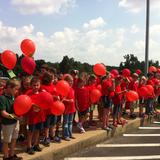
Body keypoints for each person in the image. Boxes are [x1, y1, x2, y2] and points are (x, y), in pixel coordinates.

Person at [0, 79, 22, 160]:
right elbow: (3, 113)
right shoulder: (2, 98)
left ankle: (12, 155)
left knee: (14, 139)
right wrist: (14, 117)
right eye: (15, 89)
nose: (17, 91)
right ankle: (6, 157)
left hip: (15, 122)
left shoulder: (13, 97)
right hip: (7, 124)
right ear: (9, 87)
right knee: (6, 141)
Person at [26, 77, 45, 154]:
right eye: (34, 85)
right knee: (31, 132)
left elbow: (45, 103)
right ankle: (29, 146)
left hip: (40, 116)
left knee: (37, 131)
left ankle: (36, 144)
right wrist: (32, 104)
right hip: (32, 117)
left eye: (37, 85)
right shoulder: (28, 94)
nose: (36, 87)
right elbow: (25, 103)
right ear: (31, 85)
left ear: (40, 85)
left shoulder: (42, 94)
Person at [62, 75, 76, 141]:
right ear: (66, 81)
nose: (71, 82)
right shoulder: (65, 89)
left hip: (72, 108)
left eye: (72, 81)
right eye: (70, 81)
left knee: (70, 122)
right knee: (66, 123)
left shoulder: (72, 89)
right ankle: (65, 135)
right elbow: (62, 99)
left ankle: (70, 134)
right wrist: (68, 100)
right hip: (66, 109)